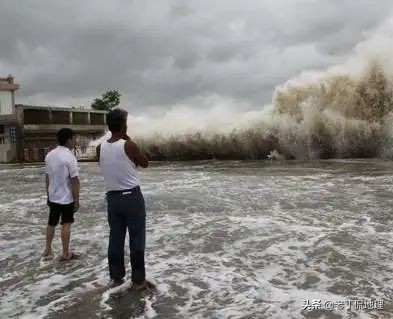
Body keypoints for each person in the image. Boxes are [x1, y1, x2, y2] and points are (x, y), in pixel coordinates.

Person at [96, 108, 149, 290]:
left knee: (115, 238)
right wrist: (130, 141)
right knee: (136, 238)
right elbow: (145, 163)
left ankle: (116, 277)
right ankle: (138, 280)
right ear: (122, 124)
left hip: (112, 198)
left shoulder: (100, 147)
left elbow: (109, 165)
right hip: (131, 197)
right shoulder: (129, 145)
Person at [43, 128, 80, 261]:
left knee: (51, 223)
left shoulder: (50, 155)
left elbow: (47, 178)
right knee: (66, 224)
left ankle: (48, 248)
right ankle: (65, 253)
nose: (75, 141)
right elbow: (75, 180)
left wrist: (48, 194)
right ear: (69, 140)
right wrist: (76, 200)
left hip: (53, 196)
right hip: (66, 198)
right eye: (74, 138)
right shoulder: (70, 157)